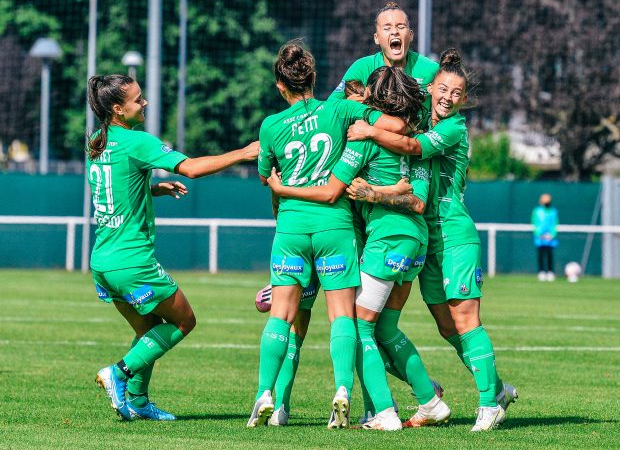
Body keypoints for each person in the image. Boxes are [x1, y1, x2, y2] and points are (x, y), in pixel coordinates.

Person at [267, 66, 451, 430]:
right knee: (386, 329)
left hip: (385, 240)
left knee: (357, 326)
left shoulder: (365, 140)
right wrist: (393, 190)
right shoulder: (418, 141)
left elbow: (331, 184)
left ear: (376, 100)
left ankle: (383, 411)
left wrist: (285, 187)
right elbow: (417, 201)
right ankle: (429, 401)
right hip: (415, 242)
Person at [345, 49, 517, 431]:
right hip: (426, 239)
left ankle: (489, 403)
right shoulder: (422, 114)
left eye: (457, 93)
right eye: (443, 89)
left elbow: (413, 147)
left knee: (466, 318)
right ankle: (492, 387)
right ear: (431, 88)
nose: (448, 97)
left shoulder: (453, 128)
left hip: (454, 234)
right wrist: (361, 102)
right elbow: (398, 114)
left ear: (464, 100)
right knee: (444, 326)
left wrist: (369, 129)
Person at [247, 41, 406, 430]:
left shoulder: (270, 125)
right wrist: (368, 124)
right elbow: (398, 125)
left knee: (281, 318)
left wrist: (282, 193)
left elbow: (268, 177)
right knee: (342, 317)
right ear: (314, 79)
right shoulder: (339, 109)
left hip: (291, 228)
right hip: (335, 227)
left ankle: (266, 394)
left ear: (280, 86)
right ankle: (341, 390)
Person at [87, 74, 259, 421]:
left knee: (148, 330)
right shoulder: (137, 142)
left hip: (102, 261)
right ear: (118, 110)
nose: (145, 103)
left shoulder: (97, 140)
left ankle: (136, 401)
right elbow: (192, 169)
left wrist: (153, 189)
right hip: (132, 262)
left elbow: (115, 190)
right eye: (138, 100)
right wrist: (243, 152)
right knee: (184, 321)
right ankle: (118, 373)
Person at [329, 1, 438, 118]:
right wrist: (348, 106)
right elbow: (329, 107)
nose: (395, 32)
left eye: (401, 26)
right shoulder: (362, 67)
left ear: (411, 35)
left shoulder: (431, 70)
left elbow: (452, 109)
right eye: (387, 28)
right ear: (376, 38)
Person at [532, 193, 559, 282]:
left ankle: (550, 272)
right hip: (540, 238)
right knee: (540, 254)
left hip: (550, 238)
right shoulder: (537, 211)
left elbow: (555, 224)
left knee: (549, 254)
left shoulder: (553, 211)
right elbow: (534, 224)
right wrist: (540, 234)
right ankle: (541, 272)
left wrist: (552, 235)